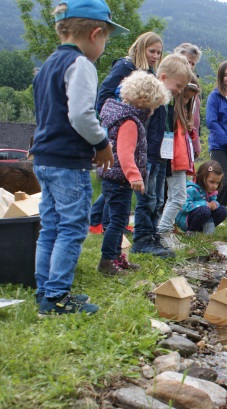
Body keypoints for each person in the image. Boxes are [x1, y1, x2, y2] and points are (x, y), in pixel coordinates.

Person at [31, 0, 127, 316]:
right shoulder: (81, 64)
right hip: (68, 160)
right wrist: (102, 144)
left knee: (51, 227)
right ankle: (58, 297)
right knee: (72, 227)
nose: (103, 46)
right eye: (106, 40)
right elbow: (81, 114)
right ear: (96, 33)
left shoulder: (46, 65)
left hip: (43, 157)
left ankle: (45, 292)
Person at [97, 71, 170, 275]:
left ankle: (118, 258)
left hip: (114, 177)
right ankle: (107, 261)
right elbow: (125, 153)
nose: (155, 111)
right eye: (154, 106)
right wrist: (134, 176)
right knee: (118, 221)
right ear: (144, 102)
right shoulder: (130, 122)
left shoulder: (121, 114)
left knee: (118, 219)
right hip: (119, 178)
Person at [90, 31, 163, 234]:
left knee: (117, 185)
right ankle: (104, 222)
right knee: (116, 179)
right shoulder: (125, 66)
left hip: (137, 127)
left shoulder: (149, 72)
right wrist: (111, 119)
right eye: (151, 51)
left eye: (158, 52)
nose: (155, 56)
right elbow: (105, 92)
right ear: (140, 48)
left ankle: (107, 222)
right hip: (121, 125)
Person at [132, 53, 192, 258]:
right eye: (178, 86)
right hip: (148, 157)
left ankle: (153, 235)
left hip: (161, 157)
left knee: (158, 199)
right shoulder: (152, 100)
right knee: (147, 200)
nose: (179, 91)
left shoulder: (168, 103)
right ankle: (141, 239)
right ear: (164, 78)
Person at [156, 67, 197, 249]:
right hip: (174, 161)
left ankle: (164, 229)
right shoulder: (171, 113)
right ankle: (163, 230)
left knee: (175, 196)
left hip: (180, 161)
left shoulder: (182, 116)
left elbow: (185, 140)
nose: (187, 100)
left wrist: (191, 131)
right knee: (179, 197)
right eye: (186, 97)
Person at [206, 60, 227, 207]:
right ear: (220, 77)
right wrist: (226, 142)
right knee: (221, 181)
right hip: (219, 145)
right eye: (226, 75)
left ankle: (222, 212)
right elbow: (211, 122)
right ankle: (213, 211)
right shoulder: (214, 96)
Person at [176, 160, 227, 234]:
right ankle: (191, 231)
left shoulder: (210, 190)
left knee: (223, 210)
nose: (215, 186)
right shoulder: (191, 189)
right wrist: (204, 203)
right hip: (186, 219)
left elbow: (213, 201)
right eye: (211, 182)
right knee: (204, 210)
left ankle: (204, 230)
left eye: (217, 183)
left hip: (203, 217)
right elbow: (185, 207)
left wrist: (214, 203)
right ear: (202, 177)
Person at [174, 42, 203, 159]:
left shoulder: (193, 86)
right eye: (187, 62)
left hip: (189, 139)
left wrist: (196, 144)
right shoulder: (175, 87)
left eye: (193, 64)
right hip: (177, 140)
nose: (190, 66)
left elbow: (196, 119)